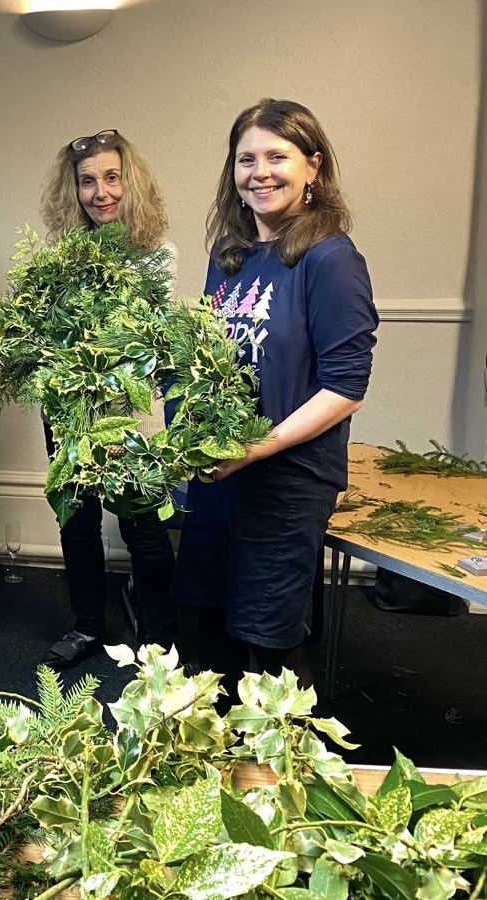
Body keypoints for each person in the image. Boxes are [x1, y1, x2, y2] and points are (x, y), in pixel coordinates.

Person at [174, 98, 377, 697]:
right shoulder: (229, 257)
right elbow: (212, 363)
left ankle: (287, 750)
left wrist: (255, 448)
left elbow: (346, 388)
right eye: (246, 159)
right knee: (208, 628)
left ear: (313, 166)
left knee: (270, 644)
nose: (260, 172)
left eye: (277, 157)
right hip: (222, 474)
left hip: (287, 478)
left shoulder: (330, 259)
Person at [36, 130, 179, 668]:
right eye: (88, 181)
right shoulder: (57, 258)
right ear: (72, 190)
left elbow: (147, 337)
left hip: (129, 413)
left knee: (143, 525)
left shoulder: (157, 256)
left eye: (112, 178)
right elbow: (48, 335)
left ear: (129, 181)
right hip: (68, 410)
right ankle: (87, 627)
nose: (101, 192)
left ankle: (159, 639)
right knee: (76, 521)